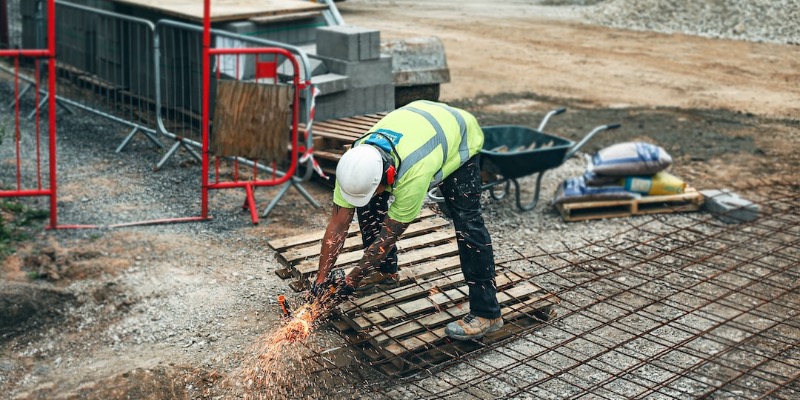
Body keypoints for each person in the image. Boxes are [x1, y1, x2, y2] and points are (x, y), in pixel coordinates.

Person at [311, 100, 502, 341]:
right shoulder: (355, 163)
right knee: (368, 203)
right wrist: (321, 279)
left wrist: (351, 280)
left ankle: (488, 312)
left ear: (389, 176)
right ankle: (385, 271)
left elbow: (388, 236)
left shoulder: (414, 173)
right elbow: (338, 224)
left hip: (459, 135)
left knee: (468, 223)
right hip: (420, 122)